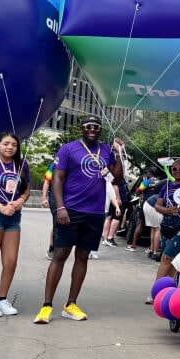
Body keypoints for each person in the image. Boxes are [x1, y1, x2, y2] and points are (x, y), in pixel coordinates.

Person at [33, 115, 124, 324]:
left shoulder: (106, 150)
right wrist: (61, 207)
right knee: (60, 254)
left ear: (100, 130)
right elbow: (57, 178)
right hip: (71, 209)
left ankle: (70, 304)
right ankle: (46, 306)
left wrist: (119, 154)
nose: (92, 129)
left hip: (95, 213)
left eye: (96, 127)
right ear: (82, 129)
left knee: (82, 257)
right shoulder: (68, 148)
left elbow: (116, 178)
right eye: (88, 126)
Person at [0, 131, 30, 317]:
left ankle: (2, 300)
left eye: (14, 145)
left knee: (10, 261)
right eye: (6, 144)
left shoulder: (21, 165)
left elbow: (25, 190)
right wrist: (0, 207)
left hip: (13, 216)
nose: (10, 147)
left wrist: (21, 201)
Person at [146, 159, 180, 303]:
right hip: (167, 225)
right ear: (171, 170)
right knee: (172, 261)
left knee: (166, 257)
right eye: (175, 169)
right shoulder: (166, 187)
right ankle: (167, 292)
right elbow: (158, 206)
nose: (178, 172)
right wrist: (168, 210)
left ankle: (155, 293)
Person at [40, 163, 56, 260]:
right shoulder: (53, 166)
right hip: (54, 197)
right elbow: (47, 182)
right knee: (57, 222)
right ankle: (52, 248)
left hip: (70, 198)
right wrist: (44, 198)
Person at [100, 178, 122, 247]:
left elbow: (113, 197)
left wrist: (117, 207)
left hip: (104, 209)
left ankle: (105, 239)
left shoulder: (110, 184)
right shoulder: (113, 185)